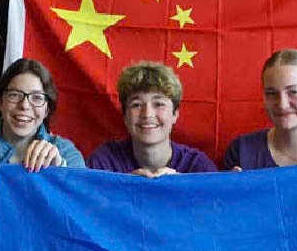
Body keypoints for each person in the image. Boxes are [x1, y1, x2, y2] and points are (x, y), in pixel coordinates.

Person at [0, 59, 84, 171]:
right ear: (0, 102)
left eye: (37, 98)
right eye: (15, 95)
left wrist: (60, 170)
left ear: (47, 110)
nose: (24, 105)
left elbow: (84, 195)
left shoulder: (65, 152)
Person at [88, 62, 216, 176]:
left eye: (159, 104)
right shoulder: (104, 162)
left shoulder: (197, 167)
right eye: (136, 105)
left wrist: (182, 188)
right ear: (125, 115)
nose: (147, 114)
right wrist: (127, 187)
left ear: (175, 114)